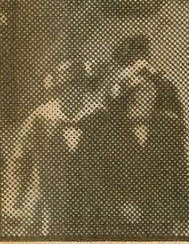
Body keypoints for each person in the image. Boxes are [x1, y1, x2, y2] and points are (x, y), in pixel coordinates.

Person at [4, 60, 116, 239]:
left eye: (78, 86)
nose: (72, 92)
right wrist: (15, 198)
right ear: (57, 90)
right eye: (65, 87)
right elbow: (20, 160)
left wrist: (119, 197)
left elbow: (116, 160)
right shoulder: (40, 118)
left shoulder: (100, 116)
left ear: (85, 88)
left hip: (91, 200)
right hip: (50, 199)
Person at [100, 51, 189, 239]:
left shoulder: (168, 126)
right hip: (124, 217)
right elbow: (102, 177)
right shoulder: (110, 132)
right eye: (140, 92)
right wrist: (121, 205)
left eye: (150, 91)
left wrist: (184, 212)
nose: (147, 98)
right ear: (127, 98)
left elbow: (179, 170)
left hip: (161, 213)